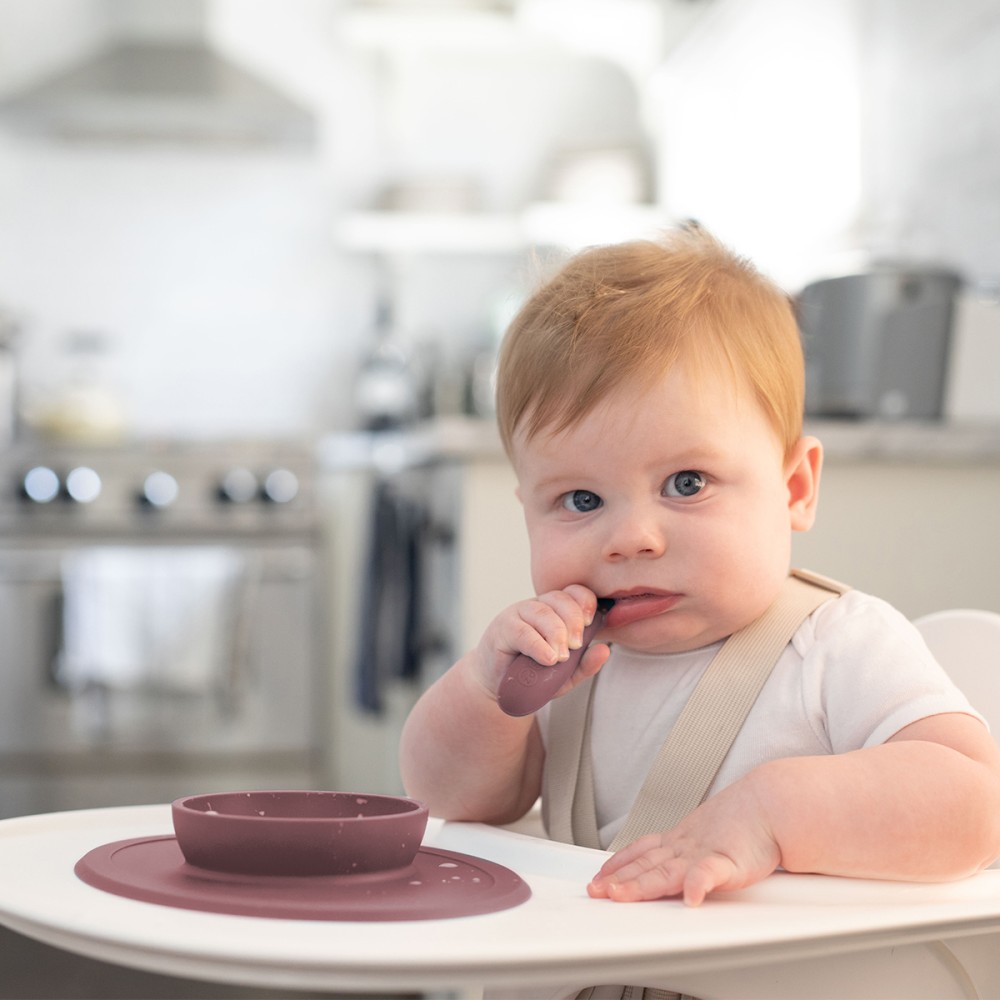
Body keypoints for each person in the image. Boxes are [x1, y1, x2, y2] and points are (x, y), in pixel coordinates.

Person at [399, 226, 1000, 917]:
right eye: (581, 500)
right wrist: (484, 689)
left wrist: (774, 814)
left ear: (795, 489)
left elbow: (973, 807)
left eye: (687, 483)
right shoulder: (566, 663)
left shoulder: (838, 645)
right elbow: (447, 800)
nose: (631, 539)